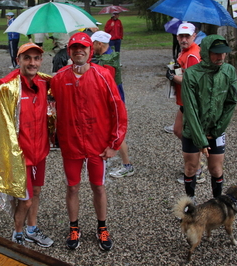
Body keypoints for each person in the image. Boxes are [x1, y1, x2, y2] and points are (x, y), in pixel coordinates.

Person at [0, 43, 54, 248]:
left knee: (37, 192)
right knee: (26, 200)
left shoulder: (44, 83)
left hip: (40, 151)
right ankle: (18, 232)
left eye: (36, 58)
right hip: (19, 155)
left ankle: (32, 228)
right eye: (27, 58)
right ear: (18, 60)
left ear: (41, 61)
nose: (32, 63)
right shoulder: (7, 89)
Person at [51, 32, 127, 251]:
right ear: (69, 51)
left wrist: (114, 143)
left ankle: (102, 227)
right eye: (74, 47)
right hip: (71, 144)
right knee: (72, 187)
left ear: (90, 50)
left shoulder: (103, 75)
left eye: (83, 47)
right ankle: (74, 227)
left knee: (98, 187)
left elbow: (118, 111)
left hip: (97, 144)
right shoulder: (59, 78)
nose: (79, 51)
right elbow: (49, 108)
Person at [181, 35, 237, 199]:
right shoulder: (192, 74)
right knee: (191, 166)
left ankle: (217, 203)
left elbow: (231, 102)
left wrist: (218, 129)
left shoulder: (229, 71)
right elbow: (190, 109)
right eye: (215, 53)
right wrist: (200, 139)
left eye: (223, 53)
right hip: (193, 130)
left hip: (216, 129)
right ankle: (190, 203)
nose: (220, 57)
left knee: (216, 168)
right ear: (206, 52)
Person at [164, 23, 205, 184]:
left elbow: (192, 82)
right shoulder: (185, 52)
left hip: (192, 103)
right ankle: (196, 160)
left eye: (187, 36)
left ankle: (197, 169)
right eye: (181, 36)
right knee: (178, 130)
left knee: (190, 136)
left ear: (194, 36)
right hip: (185, 101)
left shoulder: (193, 55)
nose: (184, 39)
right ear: (177, 37)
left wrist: (173, 77)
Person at [91, 30, 135, 178]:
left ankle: (127, 165)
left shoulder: (107, 61)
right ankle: (109, 159)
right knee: (109, 132)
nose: (91, 47)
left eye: (93, 44)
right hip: (115, 100)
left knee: (117, 134)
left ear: (99, 44)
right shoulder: (108, 56)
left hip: (113, 103)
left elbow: (107, 88)